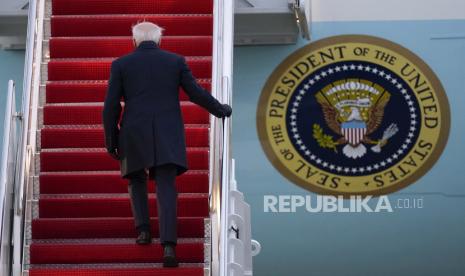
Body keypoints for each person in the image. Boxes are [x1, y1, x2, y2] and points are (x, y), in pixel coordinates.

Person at [102, 21, 232, 268]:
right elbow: (195, 93)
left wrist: (111, 140)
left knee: (136, 179)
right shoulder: (175, 61)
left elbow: (110, 106)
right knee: (166, 186)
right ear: (159, 40)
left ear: (134, 41)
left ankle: (143, 230)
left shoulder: (121, 64)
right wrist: (220, 110)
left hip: (133, 131)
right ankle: (169, 246)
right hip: (167, 132)